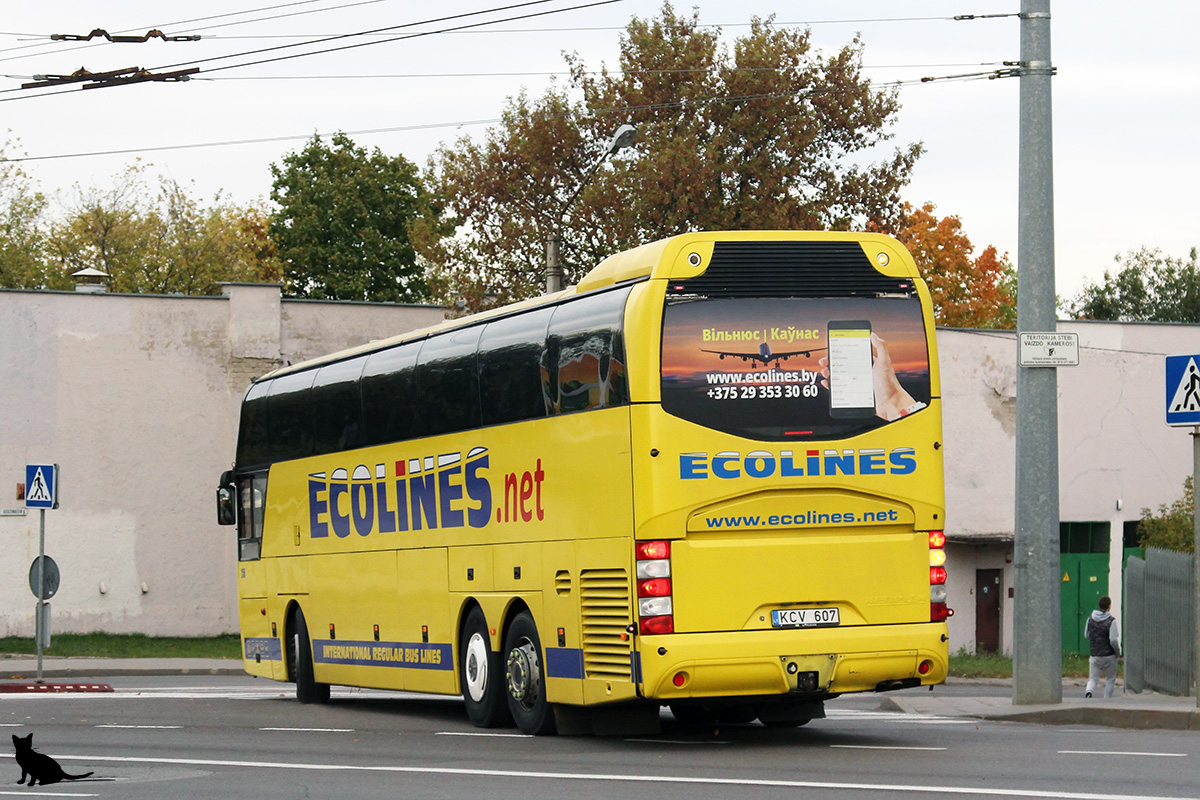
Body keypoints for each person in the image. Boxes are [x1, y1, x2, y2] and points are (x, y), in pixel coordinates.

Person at [1084, 596, 1121, 698]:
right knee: (1110, 679)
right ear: (1109, 606)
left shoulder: (1090, 619)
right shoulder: (1111, 621)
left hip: (1095, 654)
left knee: (1093, 679)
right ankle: (1106, 699)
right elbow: (1113, 640)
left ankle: (1089, 691)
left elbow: (1086, 635)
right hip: (1109, 655)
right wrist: (1118, 652)